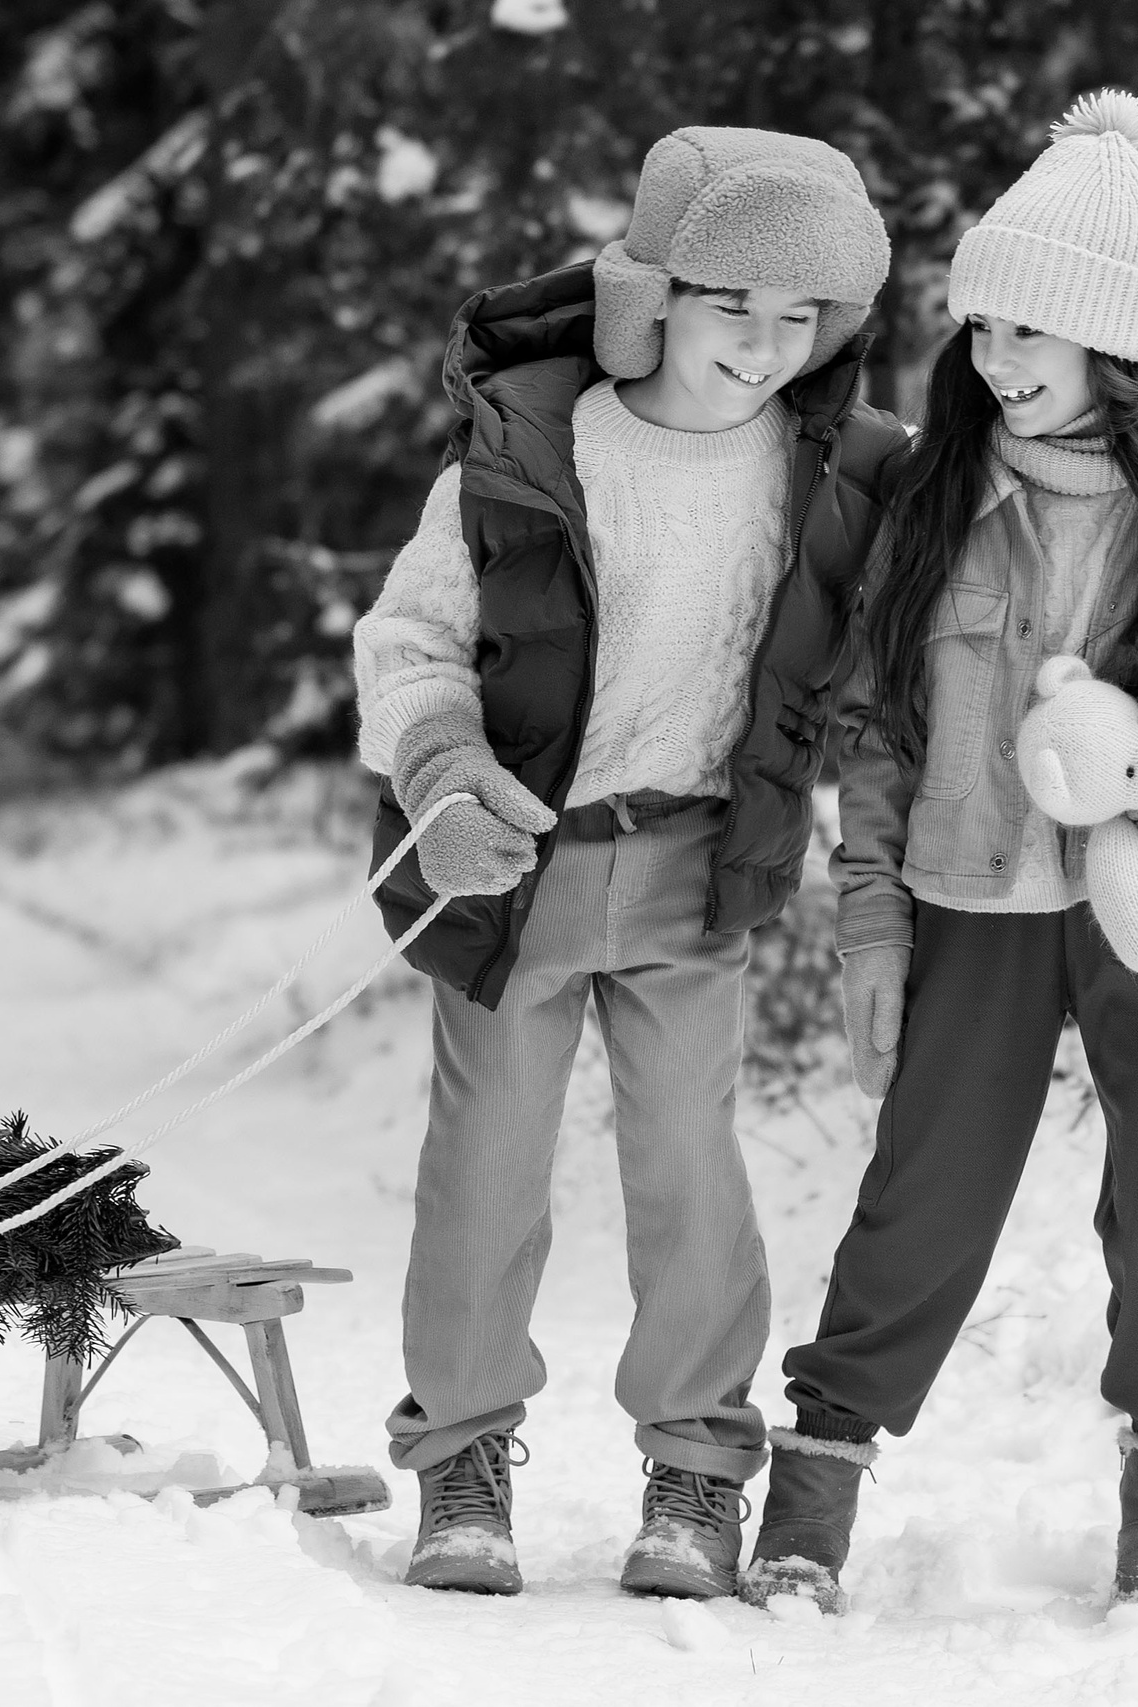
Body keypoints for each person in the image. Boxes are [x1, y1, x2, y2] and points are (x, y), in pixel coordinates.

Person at [742, 90, 1138, 1613]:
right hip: (972, 899)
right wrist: (869, 926)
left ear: (1110, 343)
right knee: (918, 1206)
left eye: (1029, 335)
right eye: (983, 330)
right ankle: (811, 1505)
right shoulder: (935, 494)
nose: (994, 362)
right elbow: (872, 730)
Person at [348, 126, 902, 1601]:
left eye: (805, 322)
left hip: (693, 866)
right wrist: (440, 771)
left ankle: (699, 1468)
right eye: (735, 310)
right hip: (510, 869)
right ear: (651, 293)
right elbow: (406, 640)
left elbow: (1035, 516)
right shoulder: (529, 446)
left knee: (685, 1163)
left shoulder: (838, 472)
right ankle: (461, 1454)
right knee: (487, 1162)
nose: (766, 349)